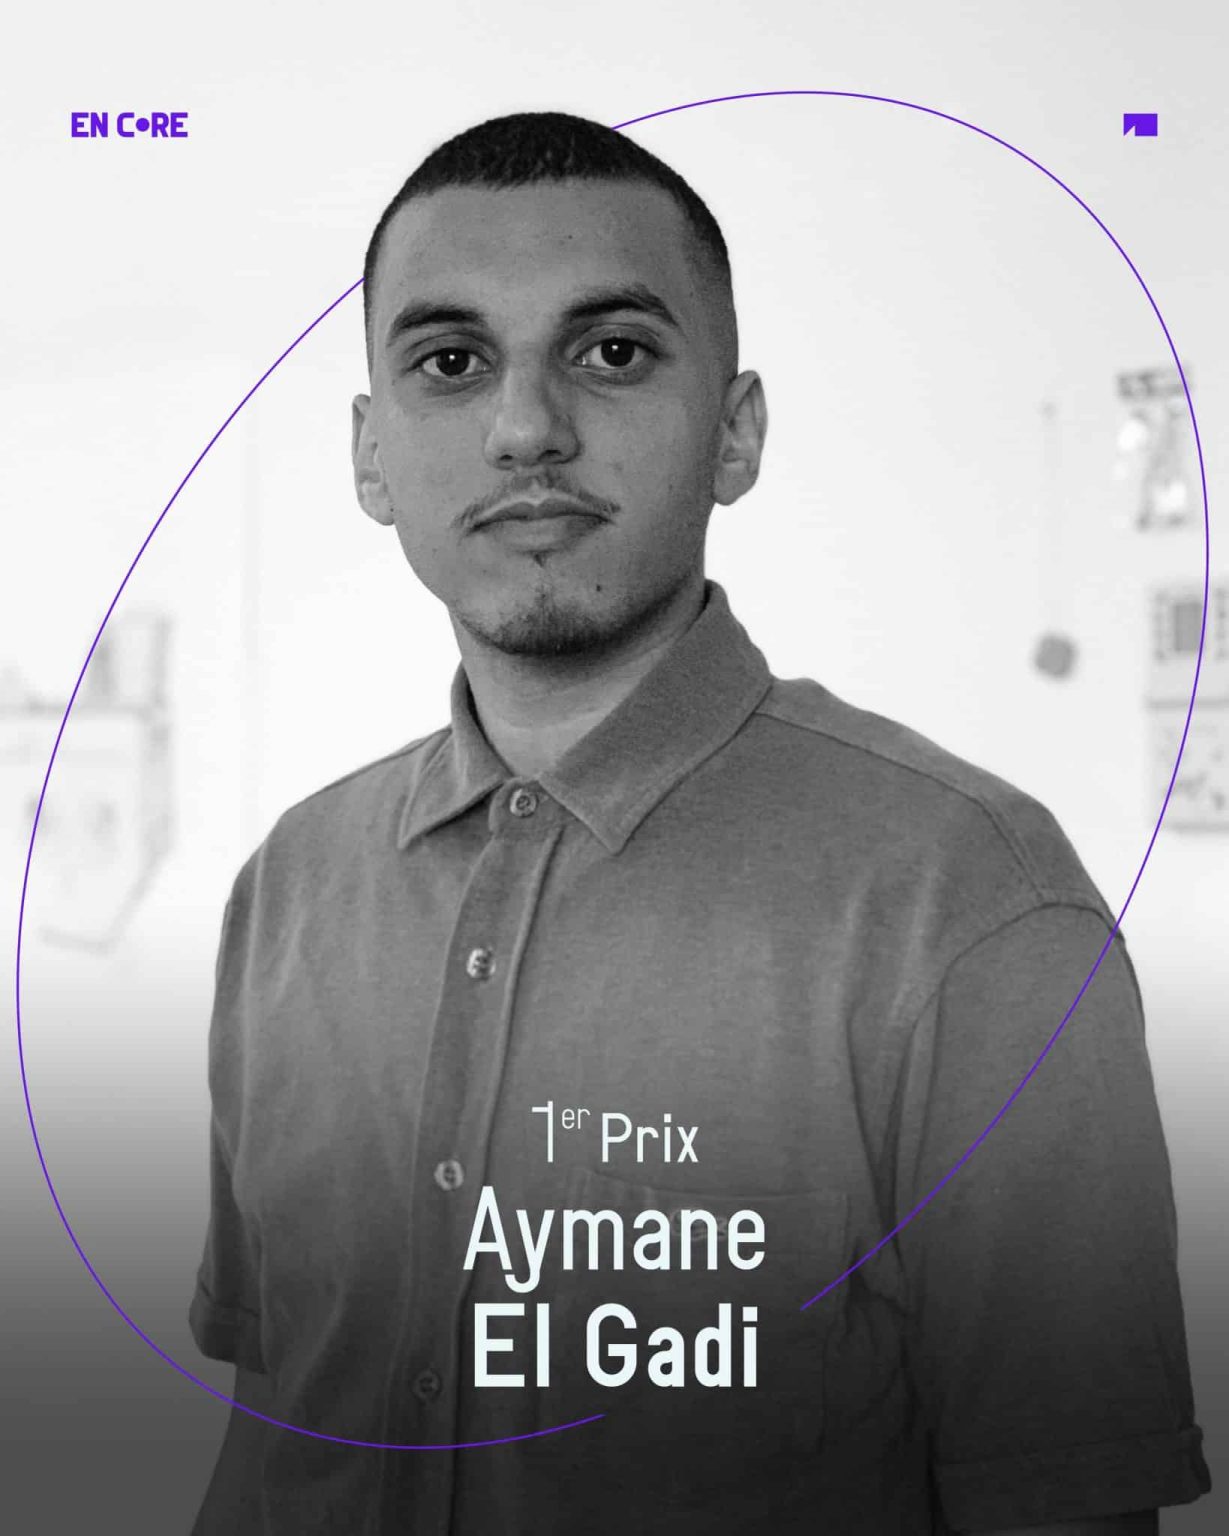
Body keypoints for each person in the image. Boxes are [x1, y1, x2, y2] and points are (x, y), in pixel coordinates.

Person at [189, 111, 1211, 1535]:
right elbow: (275, 1434)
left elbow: (1065, 1505)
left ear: (735, 434)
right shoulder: (291, 889)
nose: (526, 427)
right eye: (451, 362)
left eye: (611, 352)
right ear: (371, 456)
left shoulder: (969, 904)